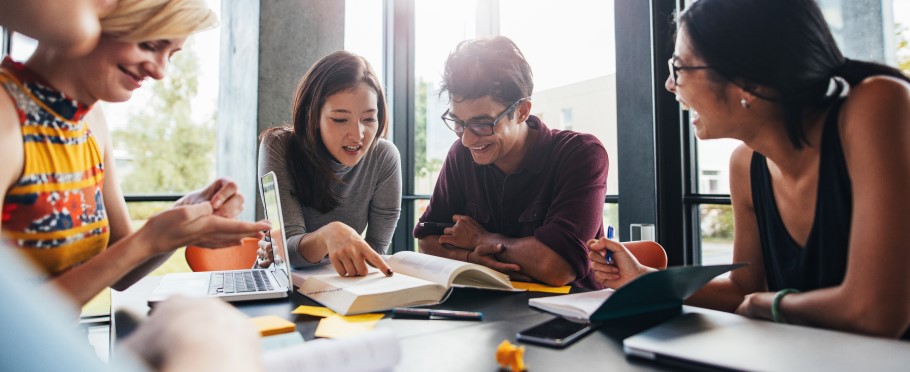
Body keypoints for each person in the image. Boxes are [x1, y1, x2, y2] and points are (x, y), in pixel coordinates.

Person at [589, 0, 910, 338]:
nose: (670, 85)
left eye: (679, 68)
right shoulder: (745, 165)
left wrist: (771, 305)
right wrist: (642, 278)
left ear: (745, 81)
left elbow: (878, 312)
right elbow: (742, 290)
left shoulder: (876, 105)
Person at [0, 0, 270, 307]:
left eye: (171, 55)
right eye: (150, 45)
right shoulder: (6, 113)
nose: (160, 71)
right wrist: (148, 240)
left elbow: (121, 272)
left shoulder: (90, 119)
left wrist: (178, 223)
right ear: (95, 18)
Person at [414, 36, 609, 289]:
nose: (467, 139)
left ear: (523, 111)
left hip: (568, 312)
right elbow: (428, 241)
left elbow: (557, 268)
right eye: (458, 123)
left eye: (482, 124)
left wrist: (480, 239)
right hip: (484, 311)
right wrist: (471, 258)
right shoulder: (461, 155)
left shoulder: (581, 155)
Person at [257, 50, 401, 277]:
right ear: (312, 117)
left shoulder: (384, 157)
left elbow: (374, 255)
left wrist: (300, 247)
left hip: (342, 286)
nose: (358, 135)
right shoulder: (279, 146)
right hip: (284, 288)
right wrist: (328, 236)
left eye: (369, 119)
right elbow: (287, 254)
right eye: (340, 119)